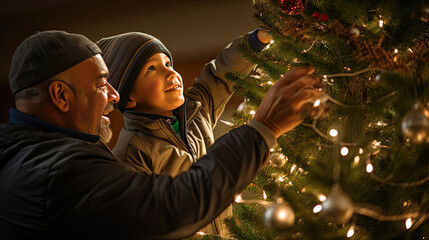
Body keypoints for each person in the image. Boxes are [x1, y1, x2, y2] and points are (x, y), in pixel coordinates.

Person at [0, 30, 321, 239]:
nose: (112, 96)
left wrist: (256, 40)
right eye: (101, 83)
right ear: (60, 95)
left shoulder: (30, 156)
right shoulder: (63, 169)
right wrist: (264, 127)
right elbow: (172, 208)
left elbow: (219, 76)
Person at [96, 29, 271, 236]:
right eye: (152, 69)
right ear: (129, 97)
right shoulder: (131, 154)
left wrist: (255, 41)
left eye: (168, 64)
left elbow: (220, 76)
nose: (170, 73)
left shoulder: (197, 110)